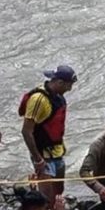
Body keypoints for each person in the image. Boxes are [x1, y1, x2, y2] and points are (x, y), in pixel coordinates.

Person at [20, 65, 76, 201]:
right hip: (43, 156)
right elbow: (26, 131)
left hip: (57, 152)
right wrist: (38, 159)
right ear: (60, 82)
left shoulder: (57, 96)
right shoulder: (39, 99)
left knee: (58, 192)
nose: (70, 89)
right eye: (69, 85)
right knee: (47, 196)